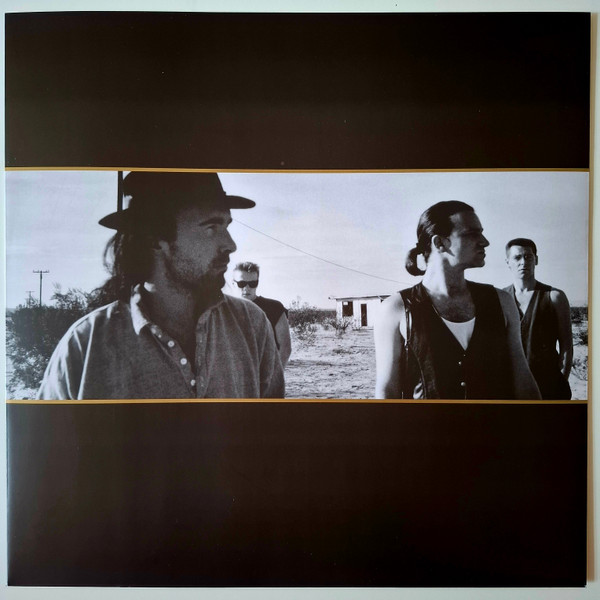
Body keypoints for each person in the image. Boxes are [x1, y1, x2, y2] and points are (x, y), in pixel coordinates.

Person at [37, 172, 284, 399]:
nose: (230, 244)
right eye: (211, 227)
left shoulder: (251, 325)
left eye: (226, 226)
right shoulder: (86, 346)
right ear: (155, 239)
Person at [374, 201, 540, 400]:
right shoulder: (396, 309)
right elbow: (387, 392)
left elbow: (523, 382)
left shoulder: (502, 302)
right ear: (439, 243)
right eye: (472, 234)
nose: (485, 242)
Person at [503, 238, 573, 399]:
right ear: (508, 262)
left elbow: (566, 346)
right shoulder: (500, 297)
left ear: (536, 260)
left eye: (528, 257)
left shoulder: (554, 296)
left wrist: (561, 381)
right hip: (511, 385)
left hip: (548, 384)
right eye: (517, 257)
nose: (523, 262)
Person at [232, 262, 292, 367]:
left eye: (252, 283)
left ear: (257, 283)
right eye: (241, 283)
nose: (247, 288)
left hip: (264, 371)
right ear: (233, 283)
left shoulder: (274, 308)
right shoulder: (224, 309)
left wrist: (275, 374)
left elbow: (285, 347)